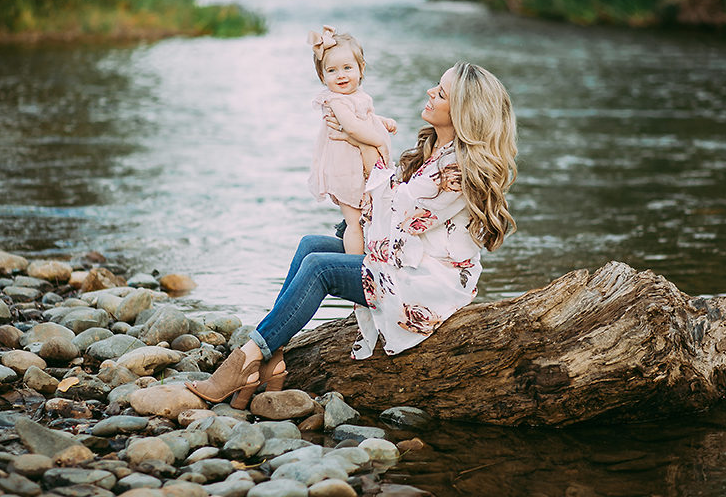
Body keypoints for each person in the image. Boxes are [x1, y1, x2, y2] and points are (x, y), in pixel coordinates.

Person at [186, 62, 517, 409]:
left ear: (462, 111)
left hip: (426, 280)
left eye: (441, 92)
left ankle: (244, 360)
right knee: (311, 246)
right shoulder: (434, 150)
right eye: (436, 85)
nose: (430, 92)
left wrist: (369, 145)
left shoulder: (456, 168)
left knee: (320, 267)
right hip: (402, 258)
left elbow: (399, 215)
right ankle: (273, 360)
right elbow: (385, 212)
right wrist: (361, 140)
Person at [307, 25, 396, 255]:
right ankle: (354, 264)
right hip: (344, 170)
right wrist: (379, 141)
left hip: (358, 168)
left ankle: (370, 254)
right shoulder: (336, 101)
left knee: (366, 216)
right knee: (354, 221)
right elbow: (353, 127)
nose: (341, 75)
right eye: (332, 71)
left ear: (361, 69)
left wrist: (380, 121)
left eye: (347, 68)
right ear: (322, 76)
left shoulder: (356, 97)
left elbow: (364, 118)